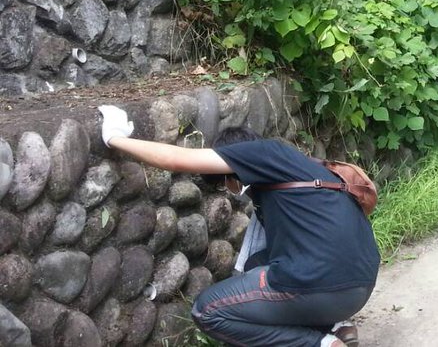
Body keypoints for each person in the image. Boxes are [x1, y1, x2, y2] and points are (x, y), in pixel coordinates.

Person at [96, 106, 378, 347]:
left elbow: (176, 159)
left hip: (322, 286)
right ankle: (335, 324)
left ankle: (319, 343)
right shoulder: (301, 170)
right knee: (257, 263)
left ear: (233, 163)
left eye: (225, 182)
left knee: (208, 311)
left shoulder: (259, 154)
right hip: (361, 285)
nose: (229, 189)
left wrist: (116, 139)